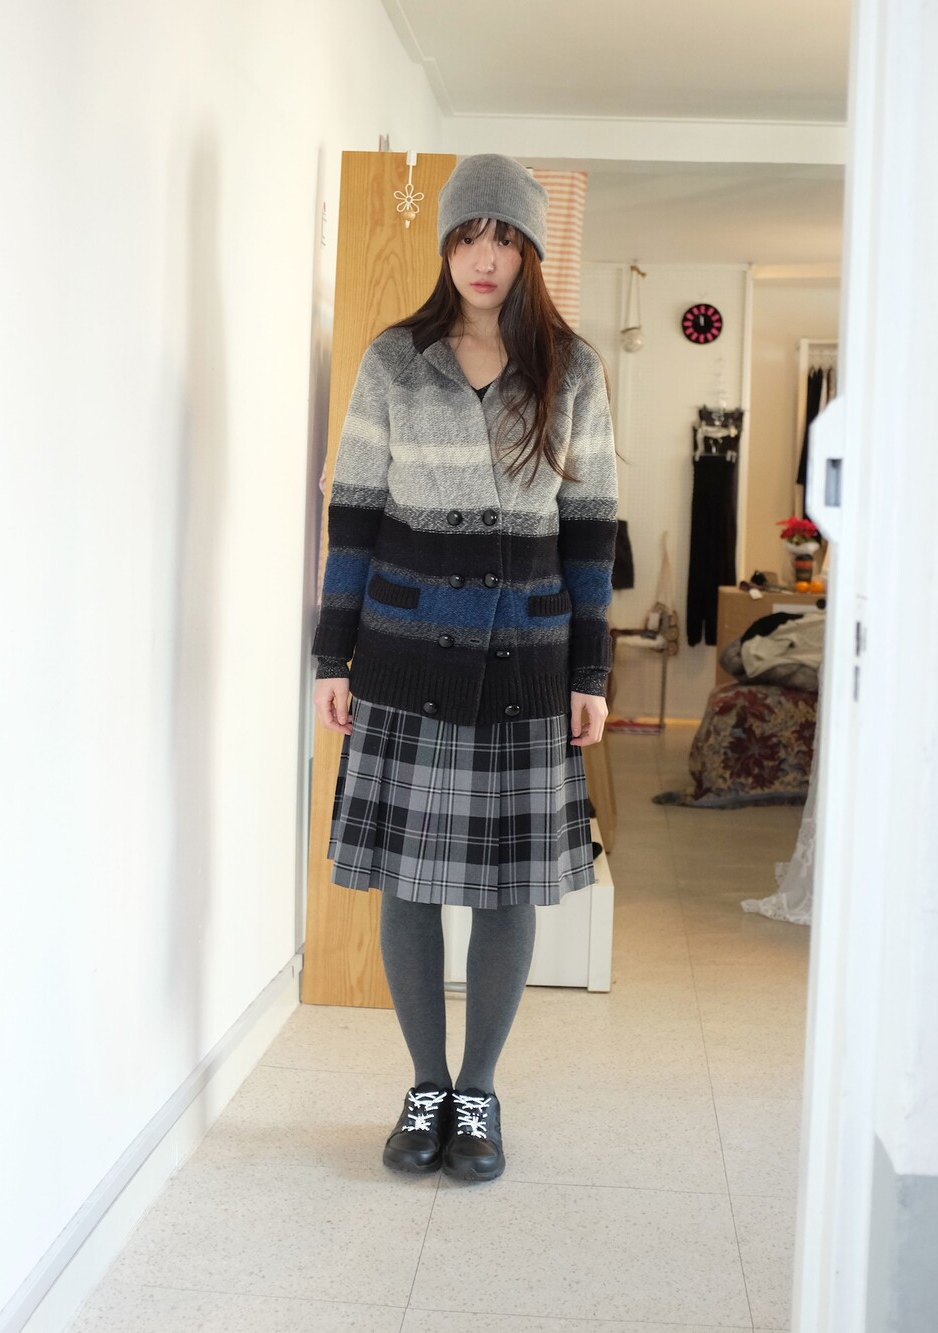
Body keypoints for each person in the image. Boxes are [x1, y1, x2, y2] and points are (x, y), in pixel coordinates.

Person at [312, 154, 617, 1183]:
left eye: (504, 238)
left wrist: (591, 671)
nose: (484, 257)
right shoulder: (395, 360)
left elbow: (590, 530)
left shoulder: (571, 370)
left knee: (503, 890)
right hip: (404, 656)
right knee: (405, 884)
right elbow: (355, 512)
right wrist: (331, 652)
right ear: (446, 246)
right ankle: (425, 1085)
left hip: (525, 661)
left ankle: (477, 1090)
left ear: (529, 251)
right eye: (467, 236)